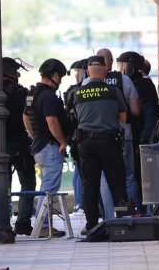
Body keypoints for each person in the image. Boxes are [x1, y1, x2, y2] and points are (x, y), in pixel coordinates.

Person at [74, 55, 128, 235]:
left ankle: (91, 225)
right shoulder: (113, 92)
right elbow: (123, 116)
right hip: (108, 141)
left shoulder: (78, 93)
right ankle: (122, 223)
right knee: (117, 182)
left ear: (88, 71)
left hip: (85, 143)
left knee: (90, 185)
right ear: (105, 70)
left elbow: (75, 116)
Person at [23, 58, 68, 238]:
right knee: (49, 189)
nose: (61, 81)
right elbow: (52, 122)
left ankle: (43, 224)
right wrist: (62, 141)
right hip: (49, 147)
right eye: (61, 77)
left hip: (39, 146)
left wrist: (34, 135)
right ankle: (42, 225)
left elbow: (25, 117)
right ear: (55, 75)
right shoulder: (48, 96)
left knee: (45, 186)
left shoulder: (31, 94)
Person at [96, 48, 142, 217]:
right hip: (124, 134)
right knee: (128, 177)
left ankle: (110, 219)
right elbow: (136, 111)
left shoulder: (87, 84)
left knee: (105, 180)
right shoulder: (124, 80)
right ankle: (132, 215)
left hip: (99, 136)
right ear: (111, 61)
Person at [117, 51, 159, 214]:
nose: (121, 70)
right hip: (130, 135)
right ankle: (137, 208)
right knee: (132, 176)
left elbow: (150, 114)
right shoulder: (125, 83)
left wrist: (143, 140)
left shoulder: (144, 85)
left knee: (141, 176)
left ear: (133, 67)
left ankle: (143, 210)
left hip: (140, 136)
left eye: (124, 66)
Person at [1, 57, 36, 236]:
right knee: (28, 182)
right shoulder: (21, 93)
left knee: (2, 184)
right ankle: (23, 222)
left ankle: (3, 223)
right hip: (20, 143)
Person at [63, 59, 88, 213]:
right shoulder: (75, 91)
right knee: (80, 171)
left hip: (74, 136)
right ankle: (80, 203)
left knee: (79, 171)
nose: (76, 75)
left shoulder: (72, 91)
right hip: (79, 135)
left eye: (78, 71)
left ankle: (80, 203)